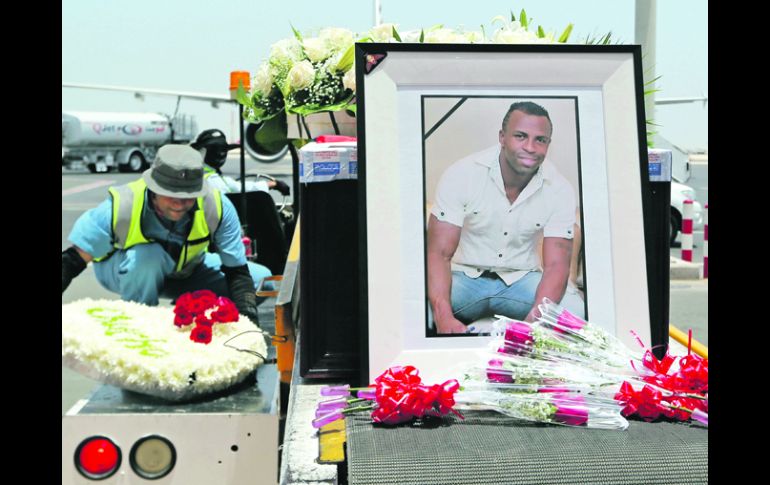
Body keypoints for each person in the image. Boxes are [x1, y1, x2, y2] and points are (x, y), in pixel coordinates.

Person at [61, 144, 272, 325]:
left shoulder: (217, 206)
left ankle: (191, 315)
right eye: (171, 195)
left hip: (187, 270)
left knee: (262, 280)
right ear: (153, 189)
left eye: (189, 196)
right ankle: (140, 324)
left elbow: (237, 271)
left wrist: (247, 323)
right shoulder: (121, 206)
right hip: (128, 271)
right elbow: (71, 261)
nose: (179, 204)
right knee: (148, 256)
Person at [427, 101, 585, 334]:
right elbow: (439, 254)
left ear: (548, 144)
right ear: (502, 137)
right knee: (415, 310)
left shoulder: (559, 188)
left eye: (540, 140)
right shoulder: (462, 174)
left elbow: (555, 265)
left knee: (573, 313)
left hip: (522, 280)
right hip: (463, 278)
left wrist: (534, 323)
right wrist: (443, 316)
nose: (530, 147)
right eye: (520, 136)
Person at [190, 128, 290, 196]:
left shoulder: (193, 176)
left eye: (223, 150)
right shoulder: (216, 181)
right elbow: (241, 188)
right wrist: (274, 184)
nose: (221, 154)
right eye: (216, 150)